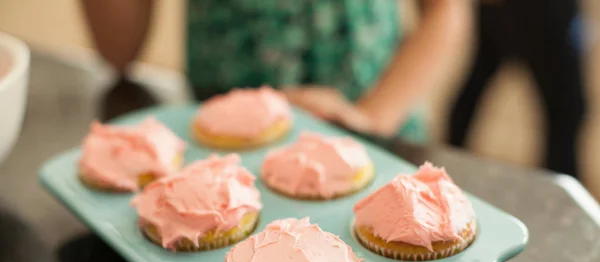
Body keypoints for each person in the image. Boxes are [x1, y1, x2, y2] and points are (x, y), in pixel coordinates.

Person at [81, 0, 467, 143]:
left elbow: (447, 11)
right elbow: (118, 51)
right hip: (223, 151)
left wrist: (372, 116)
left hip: (380, 134)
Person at [448, 0, 587, 179]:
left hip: (528, 13)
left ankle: (445, 168)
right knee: (567, 111)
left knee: (567, 113)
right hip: (540, 13)